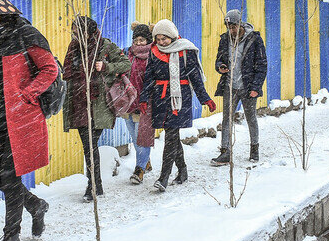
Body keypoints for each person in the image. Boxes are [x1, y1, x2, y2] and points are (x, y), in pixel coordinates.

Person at [0, 13, 56, 241]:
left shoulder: (25, 34)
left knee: (10, 177)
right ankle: (35, 205)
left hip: (20, 117)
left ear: (1, 13)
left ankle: (11, 237)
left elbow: (49, 68)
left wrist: (28, 94)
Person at [139, 19, 216, 192]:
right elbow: (149, 77)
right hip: (161, 98)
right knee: (172, 136)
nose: (161, 42)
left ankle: (163, 178)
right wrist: (144, 98)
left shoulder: (185, 50)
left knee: (171, 136)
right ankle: (182, 171)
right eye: (157, 39)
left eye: (164, 39)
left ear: (172, 36)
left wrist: (205, 99)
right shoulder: (154, 52)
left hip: (180, 99)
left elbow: (195, 77)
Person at [62, 16, 131, 202]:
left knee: (90, 146)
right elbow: (68, 71)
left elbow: (126, 64)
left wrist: (106, 66)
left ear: (90, 31)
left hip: (98, 104)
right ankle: (96, 185)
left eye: (80, 31)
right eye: (75, 31)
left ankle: (92, 186)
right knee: (88, 147)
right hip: (78, 102)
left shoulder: (105, 46)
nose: (76, 34)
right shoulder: (74, 47)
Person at [211, 9, 267, 166]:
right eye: (228, 27)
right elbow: (219, 60)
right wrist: (220, 66)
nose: (231, 30)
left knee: (251, 118)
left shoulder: (254, 39)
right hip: (230, 86)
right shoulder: (225, 40)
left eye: (234, 27)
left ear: (240, 24)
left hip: (248, 87)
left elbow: (262, 65)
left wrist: (256, 86)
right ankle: (225, 152)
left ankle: (254, 148)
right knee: (226, 118)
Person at [124, 22, 155, 184]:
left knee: (141, 137)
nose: (138, 43)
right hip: (128, 103)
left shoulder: (153, 55)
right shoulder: (127, 54)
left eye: (142, 39)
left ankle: (139, 169)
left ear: (148, 40)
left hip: (145, 102)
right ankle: (146, 160)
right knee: (134, 137)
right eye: (136, 39)